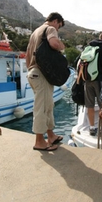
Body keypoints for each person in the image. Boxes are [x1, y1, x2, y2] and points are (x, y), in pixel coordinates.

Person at [26, 12, 65, 151]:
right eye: (59, 26)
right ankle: (39, 142)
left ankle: (51, 135)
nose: (57, 29)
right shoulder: (50, 29)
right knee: (41, 108)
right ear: (55, 21)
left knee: (48, 105)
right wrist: (62, 46)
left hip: (34, 72)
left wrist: (31, 70)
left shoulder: (35, 32)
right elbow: (54, 43)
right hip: (41, 74)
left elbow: (28, 55)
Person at [84, 32, 102, 136]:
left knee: (89, 104)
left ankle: (92, 128)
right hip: (100, 80)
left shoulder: (89, 48)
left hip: (87, 80)